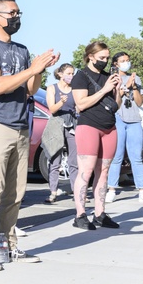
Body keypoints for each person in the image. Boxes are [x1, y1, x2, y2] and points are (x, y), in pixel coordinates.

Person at [0, 0, 59, 270]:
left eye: (18, 12)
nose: (17, 17)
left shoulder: (21, 49)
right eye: (12, 12)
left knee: (15, 193)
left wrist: (39, 70)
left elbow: (31, 89)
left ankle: (8, 245)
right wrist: (31, 69)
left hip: (21, 127)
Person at [70, 42, 121, 230]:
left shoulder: (108, 77)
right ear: (90, 57)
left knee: (104, 172)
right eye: (101, 58)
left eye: (107, 58)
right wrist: (105, 89)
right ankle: (80, 214)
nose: (105, 61)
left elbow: (117, 106)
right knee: (86, 171)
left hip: (109, 127)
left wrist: (117, 91)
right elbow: (81, 104)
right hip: (89, 126)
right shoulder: (81, 76)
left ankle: (100, 213)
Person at [106, 52, 143, 205]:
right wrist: (124, 88)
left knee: (136, 157)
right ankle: (111, 190)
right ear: (115, 63)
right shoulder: (112, 79)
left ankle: (142, 191)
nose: (126, 63)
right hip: (118, 120)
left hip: (134, 120)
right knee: (117, 157)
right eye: (123, 61)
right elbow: (115, 102)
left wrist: (134, 88)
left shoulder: (136, 78)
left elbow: (140, 102)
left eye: (128, 60)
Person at [44, 63, 80, 203]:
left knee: (74, 160)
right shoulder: (52, 88)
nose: (71, 76)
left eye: (72, 73)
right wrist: (61, 102)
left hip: (72, 124)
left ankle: (77, 192)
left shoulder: (74, 89)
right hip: (56, 124)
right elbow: (52, 109)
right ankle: (53, 192)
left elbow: (78, 107)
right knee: (55, 160)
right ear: (60, 74)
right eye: (68, 73)